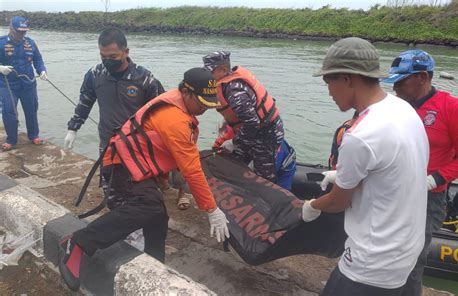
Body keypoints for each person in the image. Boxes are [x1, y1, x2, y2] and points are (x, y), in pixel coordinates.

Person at [58, 67, 230, 291]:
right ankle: (78, 242)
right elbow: (192, 170)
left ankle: (154, 266)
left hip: (136, 163)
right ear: (186, 93)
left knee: (158, 217)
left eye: (209, 104)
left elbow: (157, 145)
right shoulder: (175, 119)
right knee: (148, 207)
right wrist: (211, 210)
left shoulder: (177, 103)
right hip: (120, 165)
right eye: (201, 104)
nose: (204, 110)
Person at [302, 37, 429, 295]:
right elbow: (391, 166)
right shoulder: (402, 109)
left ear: (348, 78)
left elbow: (339, 202)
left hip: (373, 260)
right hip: (406, 248)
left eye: (329, 82)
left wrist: (311, 206)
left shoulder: (361, 133)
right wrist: (345, 173)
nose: (328, 92)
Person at [382, 49, 458, 296]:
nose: (396, 86)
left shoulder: (452, 108)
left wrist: (435, 179)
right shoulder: (393, 106)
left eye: (401, 80)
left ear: (422, 77)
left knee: (412, 261)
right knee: (382, 253)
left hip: (426, 198)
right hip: (390, 191)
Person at [63, 27, 169, 209]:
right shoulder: (95, 75)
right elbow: (85, 103)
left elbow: (162, 112)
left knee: (141, 190)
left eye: (112, 56)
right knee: (111, 190)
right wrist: (73, 128)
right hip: (108, 143)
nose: (107, 61)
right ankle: (117, 221)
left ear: (125, 52)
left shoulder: (144, 78)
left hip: (138, 144)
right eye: (103, 56)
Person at [203, 51, 284, 184]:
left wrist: (234, 142)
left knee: (264, 174)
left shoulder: (235, 91)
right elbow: (243, 111)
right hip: (249, 130)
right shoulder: (227, 83)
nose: (208, 76)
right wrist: (227, 122)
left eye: (210, 72)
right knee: (235, 159)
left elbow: (252, 122)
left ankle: (266, 197)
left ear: (223, 70)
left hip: (266, 132)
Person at [0, 16, 47, 151]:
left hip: (28, 83)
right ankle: (11, 140)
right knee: (9, 111)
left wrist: (42, 70)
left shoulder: (30, 43)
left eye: (24, 31)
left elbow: (38, 59)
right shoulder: (1, 43)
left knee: (31, 109)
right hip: (8, 84)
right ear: (11, 29)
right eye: (19, 31)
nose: (22, 34)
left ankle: (33, 135)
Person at [213, 121, 296, 190]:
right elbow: (216, 151)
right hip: (249, 151)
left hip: (280, 163)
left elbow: (260, 176)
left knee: (278, 195)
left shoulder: (265, 148)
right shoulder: (227, 132)